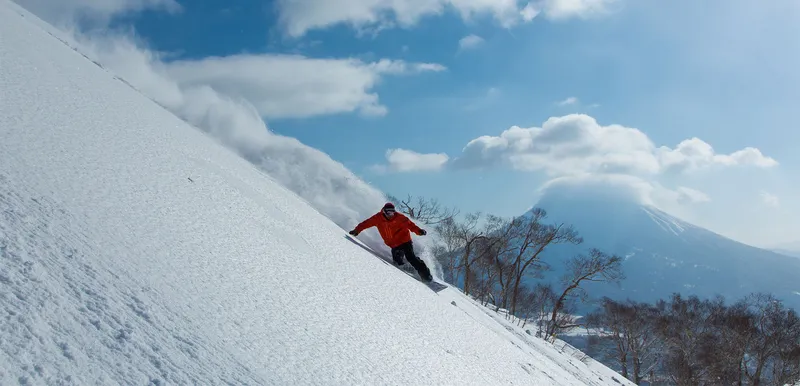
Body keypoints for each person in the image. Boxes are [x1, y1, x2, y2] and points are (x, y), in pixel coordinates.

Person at [349, 202, 433, 282]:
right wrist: (357, 230)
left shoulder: (400, 217)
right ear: (384, 212)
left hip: (405, 240)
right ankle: (413, 270)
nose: (391, 215)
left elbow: (411, 225)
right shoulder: (377, 218)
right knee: (398, 263)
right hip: (394, 244)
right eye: (388, 212)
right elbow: (365, 223)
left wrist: (419, 231)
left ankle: (427, 277)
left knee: (411, 257)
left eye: (393, 212)